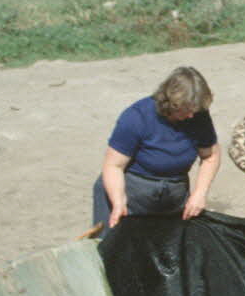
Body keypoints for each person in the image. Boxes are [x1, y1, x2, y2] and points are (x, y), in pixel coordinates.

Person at [92, 66, 221, 233]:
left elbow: (210, 156)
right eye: (186, 110)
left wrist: (199, 194)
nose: (191, 116)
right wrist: (118, 202)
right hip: (131, 190)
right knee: (113, 247)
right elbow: (113, 166)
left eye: (195, 111)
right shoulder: (136, 117)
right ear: (171, 102)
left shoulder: (198, 116)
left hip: (173, 193)